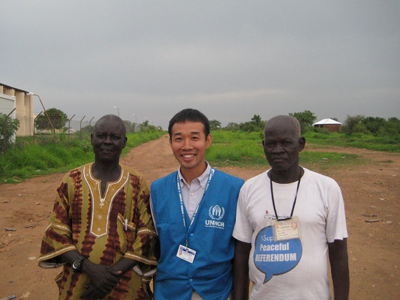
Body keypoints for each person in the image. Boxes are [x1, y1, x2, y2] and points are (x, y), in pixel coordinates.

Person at [38, 114, 158, 299]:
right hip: (79, 283)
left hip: (124, 284)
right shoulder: (72, 180)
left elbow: (146, 234)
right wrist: (89, 268)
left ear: (124, 142)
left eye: (115, 137)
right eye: (101, 135)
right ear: (91, 138)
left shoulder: (136, 183)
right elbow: (57, 231)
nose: (107, 142)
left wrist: (110, 276)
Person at [233, 115, 349, 300]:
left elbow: (339, 253)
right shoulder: (249, 189)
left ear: (300, 144)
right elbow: (241, 253)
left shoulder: (326, 188)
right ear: (263, 145)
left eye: (286, 143)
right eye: (271, 144)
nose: (278, 150)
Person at [150, 108, 244, 300]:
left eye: (194, 138)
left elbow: (240, 250)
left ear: (207, 141)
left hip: (215, 292)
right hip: (170, 293)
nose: (186, 146)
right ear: (169, 142)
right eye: (178, 139)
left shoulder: (235, 188)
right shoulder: (157, 190)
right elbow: (157, 244)